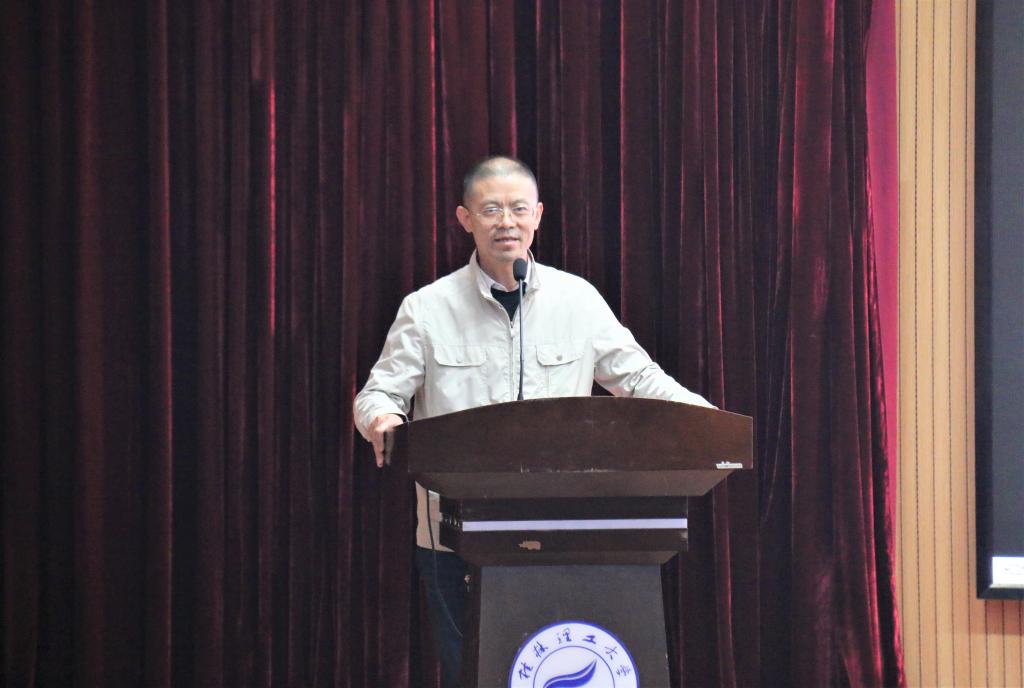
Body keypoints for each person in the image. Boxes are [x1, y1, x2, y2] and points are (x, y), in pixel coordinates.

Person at [353, 155, 713, 687]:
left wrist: (708, 422)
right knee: (475, 674)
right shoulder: (426, 309)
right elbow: (379, 393)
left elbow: (639, 379)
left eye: (519, 209)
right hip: (455, 538)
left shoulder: (578, 300)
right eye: (491, 210)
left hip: (561, 528)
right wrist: (383, 417)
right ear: (465, 218)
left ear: (538, 215)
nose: (507, 222)